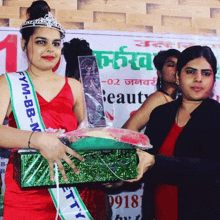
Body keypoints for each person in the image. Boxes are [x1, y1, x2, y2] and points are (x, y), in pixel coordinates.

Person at [0, 1, 109, 219]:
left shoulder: (76, 86)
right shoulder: (7, 83)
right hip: (26, 191)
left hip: (72, 187)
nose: (50, 49)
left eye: (56, 44)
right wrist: (39, 139)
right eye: (41, 42)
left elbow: (97, 131)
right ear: (24, 44)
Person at [133, 45, 220, 220]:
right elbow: (146, 160)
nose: (198, 79)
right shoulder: (160, 113)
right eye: (190, 71)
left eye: (206, 73)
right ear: (178, 77)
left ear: (213, 80)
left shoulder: (216, 115)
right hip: (157, 212)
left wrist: (155, 161)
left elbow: (212, 168)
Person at [122, 49, 180, 131]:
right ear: (159, 73)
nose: (176, 69)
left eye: (179, 65)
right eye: (171, 65)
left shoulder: (177, 100)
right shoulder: (158, 98)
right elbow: (128, 130)